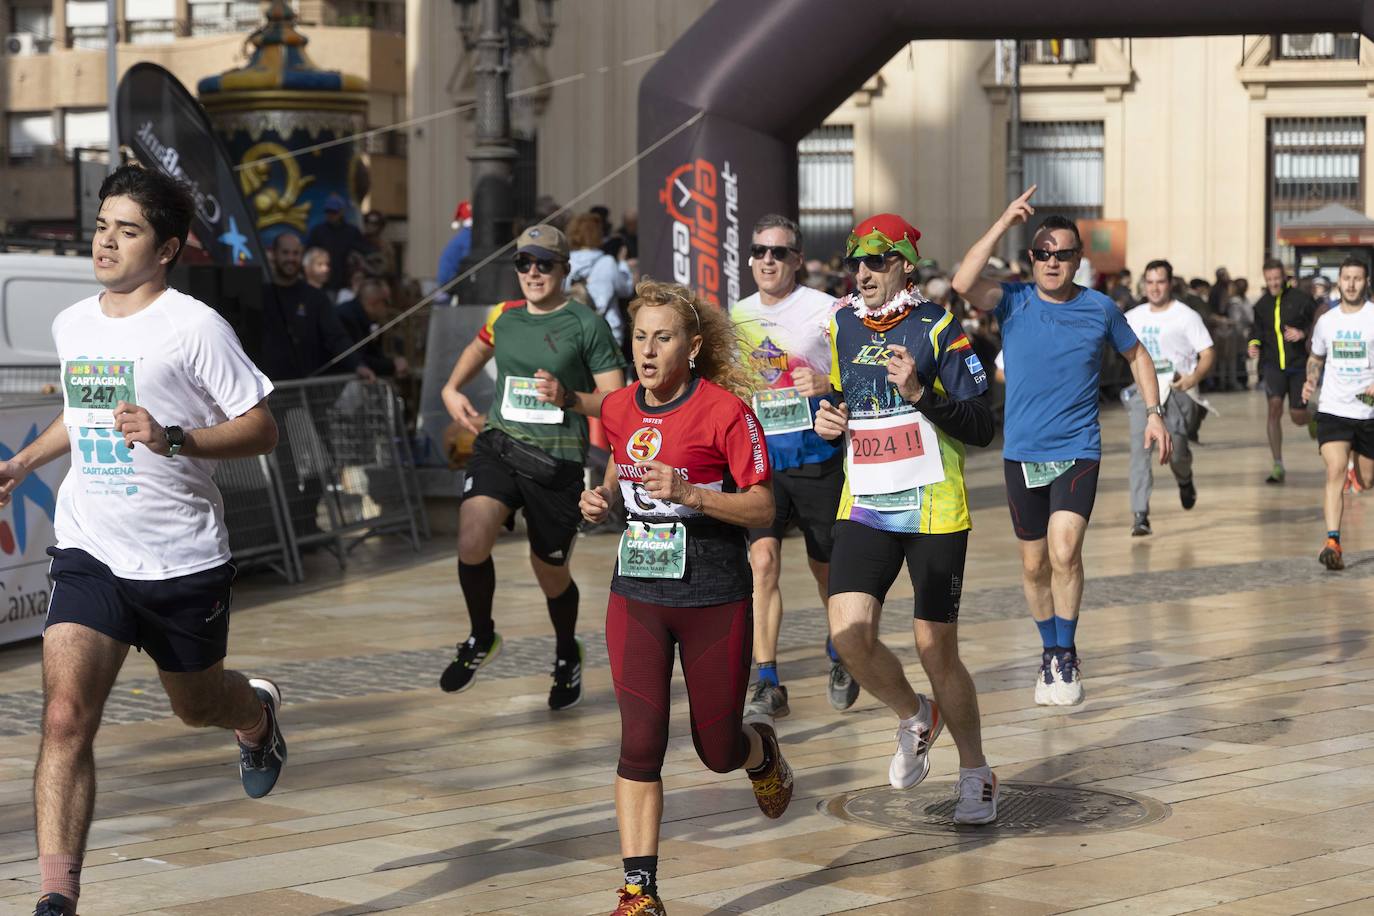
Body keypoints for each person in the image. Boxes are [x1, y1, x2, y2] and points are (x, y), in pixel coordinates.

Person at [5, 165, 284, 916]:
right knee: (65, 716)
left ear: (166, 248)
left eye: (127, 231)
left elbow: (261, 427)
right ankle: (57, 898)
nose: (106, 241)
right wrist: (24, 462)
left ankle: (253, 715)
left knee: (196, 706)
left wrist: (175, 438)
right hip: (90, 546)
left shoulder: (194, 327)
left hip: (180, 557)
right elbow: (82, 411)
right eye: (102, 225)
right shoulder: (74, 324)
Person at [581, 280, 793, 916]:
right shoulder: (618, 407)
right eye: (640, 336)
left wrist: (692, 493)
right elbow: (621, 471)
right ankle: (638, 893)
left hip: (713, 595)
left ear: (692, 347)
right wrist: (602, 502)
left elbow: (763, 504)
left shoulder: (727, 412)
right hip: (637, 593)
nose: (647, 350)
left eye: (663, 338)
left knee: (716, 749)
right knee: (639, 743)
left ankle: (761, 750)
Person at [952, 187, 1170, 707]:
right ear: (1032, 259)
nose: (1053, 261)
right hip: (1022, 452)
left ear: (1077, 259)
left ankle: (1067, 653)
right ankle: (1047, 651)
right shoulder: (1014, 300)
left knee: (1065, 550)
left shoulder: (1101, 308)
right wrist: (1005, 219)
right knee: (1033, 566)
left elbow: (1138, 357)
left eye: (1063, 253)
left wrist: (1154, 412)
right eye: (1043, 253)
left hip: (1078, 448)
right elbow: (962, 282)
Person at [816, 213, 999, 823]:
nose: (861, 273)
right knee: (848, 638)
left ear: (903, 264)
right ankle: (915, 716)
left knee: (934, 646)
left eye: (875, 261)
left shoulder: (938, 326)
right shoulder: (842, 323)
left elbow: (982, 426)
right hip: (865, 502)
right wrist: (828, 420)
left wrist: (922, 393)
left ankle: (975, 771)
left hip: (932, 507)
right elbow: (841, 398)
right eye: (855, 262)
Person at [440, 224, 625, 709]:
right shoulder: (506, 315)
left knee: (549, 571)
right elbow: (479, 347)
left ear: (564, 268)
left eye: (545, 263)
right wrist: (451, 388)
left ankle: (568, 653)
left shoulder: (587, 325)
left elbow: (618, 403)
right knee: (471, 538)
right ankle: (482, 636)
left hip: (558, 462)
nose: (534, 272)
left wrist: (568, 397)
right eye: (525, 263)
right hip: (500, 445)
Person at [731, 214, 857, 717]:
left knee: (825, 568)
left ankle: (841, 650)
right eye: (759, 250)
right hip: (759, 462)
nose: (767, 260)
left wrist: (827, 384)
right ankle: (767, 678)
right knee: (761, 565)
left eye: (778, 252)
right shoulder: (734, 315)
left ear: (797, 260)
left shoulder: (827, 310)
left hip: (816, 458)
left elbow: (859, 370)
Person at [1124, 260, 1216, 536]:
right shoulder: (1133, 316)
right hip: (1144, 393)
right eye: (1149, 282)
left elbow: (1208, 352)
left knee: (1176, 449)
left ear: (1170, 283)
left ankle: (1184, 479)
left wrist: (1193, 378)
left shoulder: (1186, 316)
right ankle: (1140, 514)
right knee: (1140, 452)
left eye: (1160, 282)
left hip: (1178, 390)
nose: (1154, 288)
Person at [1303, 257, 1374, 571]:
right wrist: (1310, 381)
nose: (1351, 284)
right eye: (1346, 278)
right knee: (1334, 470)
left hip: (1368, 411)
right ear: (1339, 281)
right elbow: (1316, 357)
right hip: (1333, 408)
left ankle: (1360, 471)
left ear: (1366, 282)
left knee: (1367, 480)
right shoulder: (1327, 321)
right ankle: (1333, 541)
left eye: (1357, 278)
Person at [259, 232, 372, 381]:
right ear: (274, 254)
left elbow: (336, 337)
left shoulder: (315, 297)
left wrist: (358, 365)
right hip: (267, 388)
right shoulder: (260, 295)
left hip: (305, 387)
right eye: (285, 253)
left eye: (296, 253)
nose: (291, 258)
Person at [1248, 258, 1317, 484]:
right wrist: (1253, 343)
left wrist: (1303, 334)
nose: (1274, 283)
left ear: (1284, 277)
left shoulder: (1302, 300)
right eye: (1269, 280)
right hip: (1273, 365)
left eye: (1277, 279)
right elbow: (1257, 330)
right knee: (1274, 408)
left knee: (1297, 416)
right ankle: (1277, 464)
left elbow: (1318, 325)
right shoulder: (1261, 305)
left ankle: (1314, 416)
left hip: (1298, 365)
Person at [566, 213, 635, 345]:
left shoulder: (566, 262)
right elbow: (626, 289)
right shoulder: (607, 262)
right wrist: (622, 264)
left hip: (573, 329)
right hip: (607, 331)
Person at [337, 277, 409, 379]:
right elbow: (358, 357)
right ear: (374, 302)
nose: (388, 308)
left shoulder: (363, 318)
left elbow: (372, 351)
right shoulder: (347, 318)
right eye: (386, 302)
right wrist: (392, 365)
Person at [305, 193, 368, 295]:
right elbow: (308, 254)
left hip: (347, 285)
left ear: (341, 212)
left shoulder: (352, 232)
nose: (331, 215)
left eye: (334, 211)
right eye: (328, 211)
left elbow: (363, 253)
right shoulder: (318, 231)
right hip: (324, 285)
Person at [436, 201, 473, 293]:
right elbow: (468, 260)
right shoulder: (467, 237)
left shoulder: (463, 235)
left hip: (446, 279)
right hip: (450, 281)